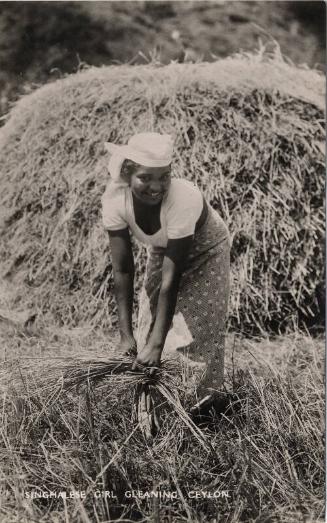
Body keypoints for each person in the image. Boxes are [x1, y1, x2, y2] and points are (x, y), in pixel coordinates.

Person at [101, 132, 230, 415]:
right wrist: (125, 335)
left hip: (206, 248)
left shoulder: (183, 199)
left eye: (164, 176)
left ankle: (200, 410)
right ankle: (154, 407)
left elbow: (170, 284)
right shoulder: (115, 200)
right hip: (164, 247)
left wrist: (157, 345)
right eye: (145, 177)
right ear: (127, 172)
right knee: (147, 325)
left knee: (196, 329)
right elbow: (123, 270)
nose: (156, 186)